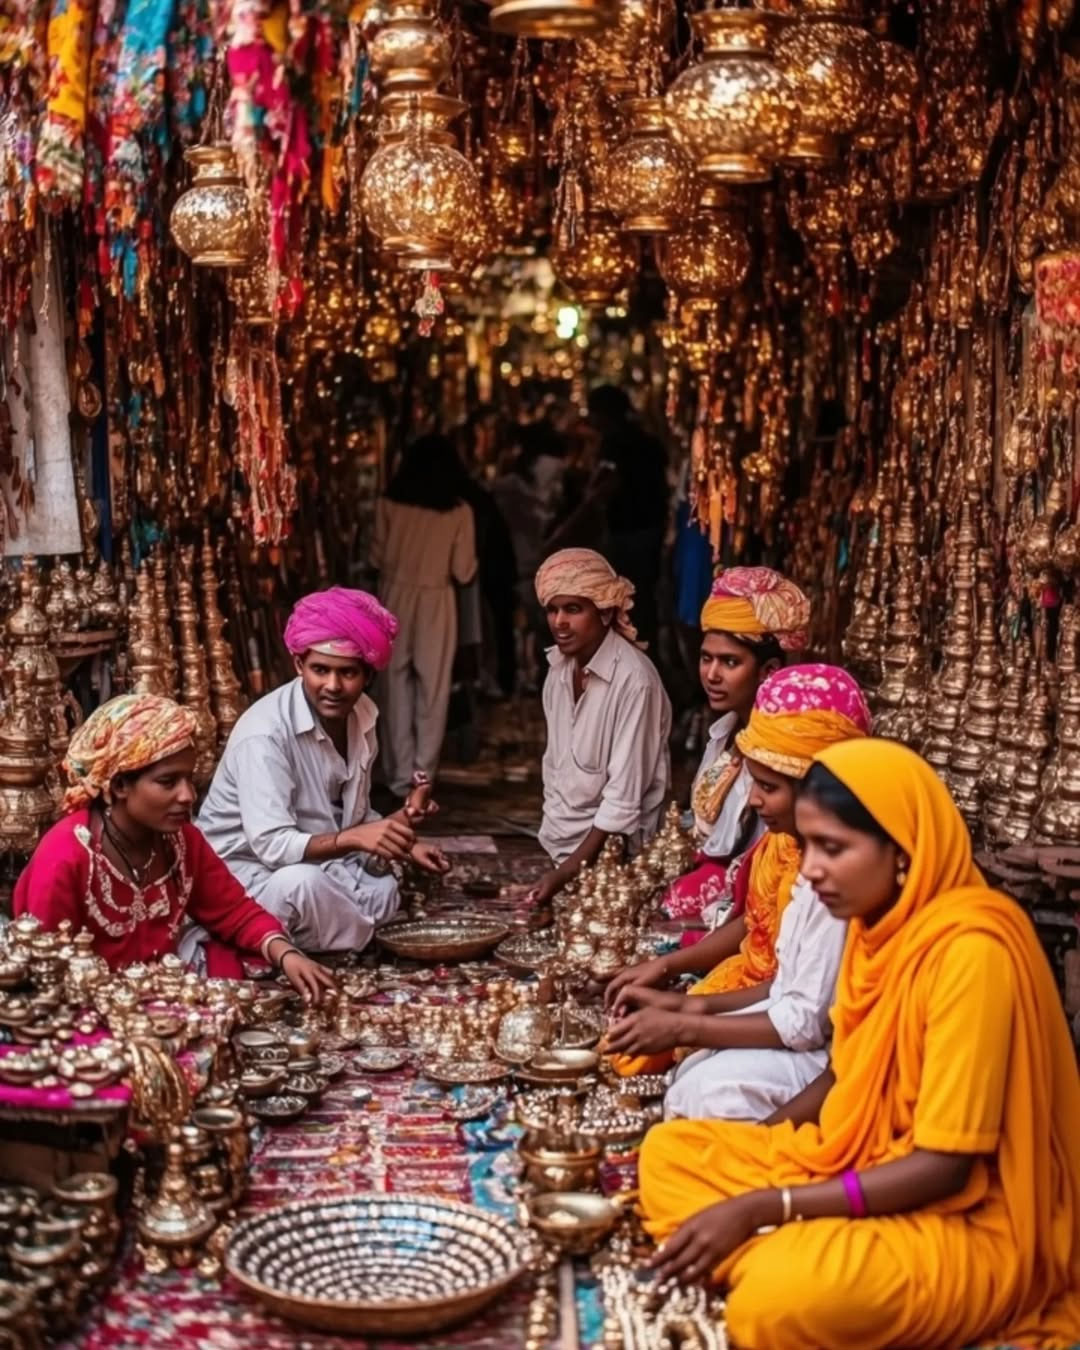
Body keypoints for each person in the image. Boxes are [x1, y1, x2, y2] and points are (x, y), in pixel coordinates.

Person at [640, 739, 1080, 1350]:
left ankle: (774, 1259)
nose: (812, 868)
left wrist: (770, 1205)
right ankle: (778, 1252)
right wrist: (764, 1150)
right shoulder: (876, 931)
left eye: (834, 848)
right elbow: (844, 1080)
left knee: (771, 1307)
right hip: (857, 1162)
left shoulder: (972, 953)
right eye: (811, 844)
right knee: (670, 1155)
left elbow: (944, 1168)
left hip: (967, 1220)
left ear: (901, 852)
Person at [606, 665, 869, 1111]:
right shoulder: (801, 859)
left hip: (827, 1057)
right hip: (786, 1023)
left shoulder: (838, 881)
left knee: (703, 1090)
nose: (753, 800)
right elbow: (784, 981)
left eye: (768, 786)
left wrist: (685, 1023)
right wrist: (683, 1008)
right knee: (684, 1074)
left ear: (819, 792)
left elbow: (803, 1020)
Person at [13, 694, 334, 1005]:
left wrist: (287, 953)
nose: (188, 795)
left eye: (189, 779)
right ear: (119, 787)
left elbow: (235, 912)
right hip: (84, 1013)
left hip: (160, 1001)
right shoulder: (65, 855)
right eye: (169, 782)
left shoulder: (181, 841)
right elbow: (45, 973)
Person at [198, 588, 449, 954]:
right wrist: (355, 839)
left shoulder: (363, 714)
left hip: (315, 858)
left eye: (347, 672)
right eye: (320, 670)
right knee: (303, 886)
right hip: (249, 876)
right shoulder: (265, 735)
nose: (333, 686)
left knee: (384, 887)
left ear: (366, 674)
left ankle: (340, 933)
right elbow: (272, 845)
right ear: (299, 665)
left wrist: (405, 840)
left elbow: (353, 817)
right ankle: (343, 936)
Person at [662, 567, 810, 925]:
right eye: (706, 658)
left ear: (768, 670)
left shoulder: (779, 749)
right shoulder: (725, 731)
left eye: (730, 662)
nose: (712, 674)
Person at [527, 548, 672, 906]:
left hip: (617, 858)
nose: (559, 621)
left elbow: (623, 803)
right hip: (564, 851)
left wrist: (564, 874)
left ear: (606, 613)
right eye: (553, 609)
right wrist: (559, 864)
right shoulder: (558, 669)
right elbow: (556, 770)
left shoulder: (635, 681)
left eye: (573, 609)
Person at [371, 433, 478, 796]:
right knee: (433, 690)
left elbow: (376, 556)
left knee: (394, 687)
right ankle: (423, 776)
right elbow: (464, 570)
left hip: (394, 595)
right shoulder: (459, 511)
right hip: (437, 598)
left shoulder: (387, 504)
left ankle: (399, 774)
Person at [587, 385, 668, 654]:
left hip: (628, 531)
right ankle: (647, 654)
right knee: (643, 598)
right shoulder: (649, 441)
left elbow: (605, 486)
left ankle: (635, 657)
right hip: (649, 528)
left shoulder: (615, 443)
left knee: (627, 599)